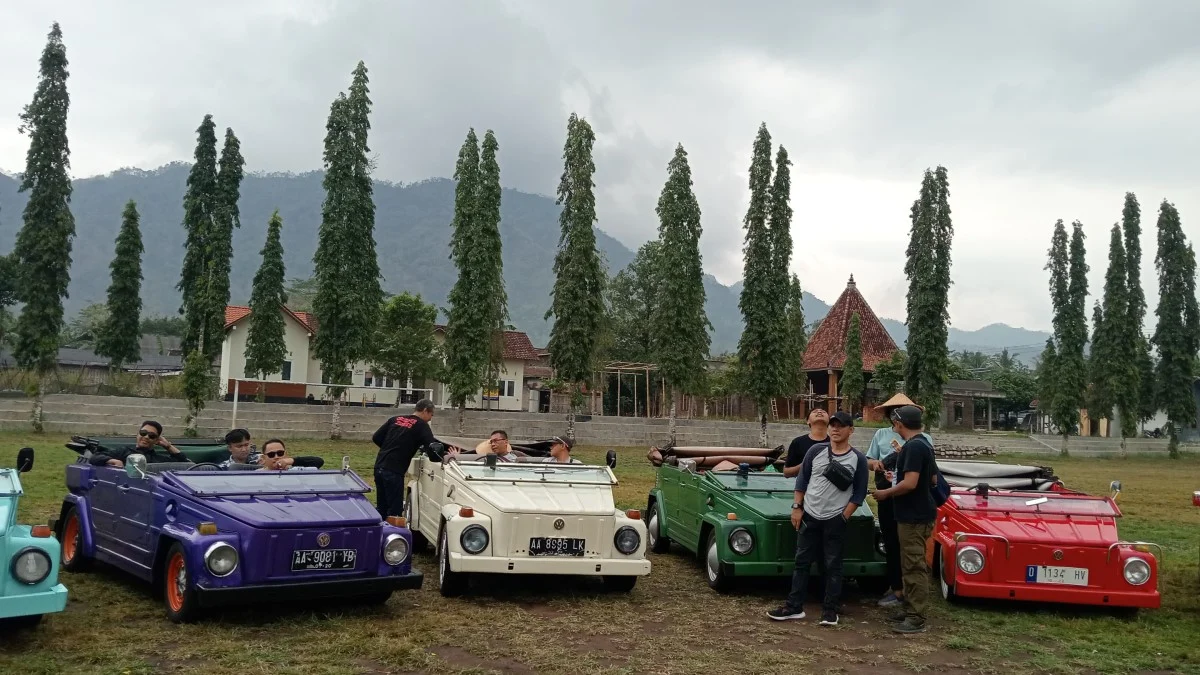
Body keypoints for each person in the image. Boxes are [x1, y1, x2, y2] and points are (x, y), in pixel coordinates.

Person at [767, 411, 869, 627]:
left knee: (833, 565)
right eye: (833, 425)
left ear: (851, 430)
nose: (835, 429)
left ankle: (830, 610)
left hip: (835, 518)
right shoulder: (815, 451)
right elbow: (801, 481)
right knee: (801, 562)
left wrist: (844, 516)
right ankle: (794, 606)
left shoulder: (858, 459)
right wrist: (797, 507)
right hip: (810, 515)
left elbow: (859, 493)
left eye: (841, 426)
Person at [864, 393, 933, 609]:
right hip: (890, 495)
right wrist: (876, 465)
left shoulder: (920, 442)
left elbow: (923, 476)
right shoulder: (881, 434)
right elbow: (868, 460)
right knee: (892, 542)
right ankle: (897, 588)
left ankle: (913, 599)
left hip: (907, 498)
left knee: (911, 549)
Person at [371, 399, 437, 518]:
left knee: (382, 507)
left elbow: (376, 437)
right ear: (425, 410)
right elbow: (432, 448)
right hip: (394, 470)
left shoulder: (395, 419)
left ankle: (380, 532)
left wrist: (389, 448)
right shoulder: (422, 425)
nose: (431, 418)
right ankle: (393, 534)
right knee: (395, 511)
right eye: (431, 415)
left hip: (379, 466)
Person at [89, 420, 191, 467]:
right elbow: (94, 457)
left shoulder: (159, 459)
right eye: (143, 433)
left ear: (156, 440)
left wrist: (168, 446)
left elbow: (185, 462)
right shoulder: (124, 452)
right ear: (137, 434)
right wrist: (113, 461)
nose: (146, 437)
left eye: (151, 435)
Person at [783, 408, 830, 478]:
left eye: (823, 411)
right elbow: (786, 473)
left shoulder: (835, 443)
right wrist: (806, 464)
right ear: (808, 421)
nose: (820, 412)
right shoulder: (798, 442)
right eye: (815, 412)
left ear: (829, 421)